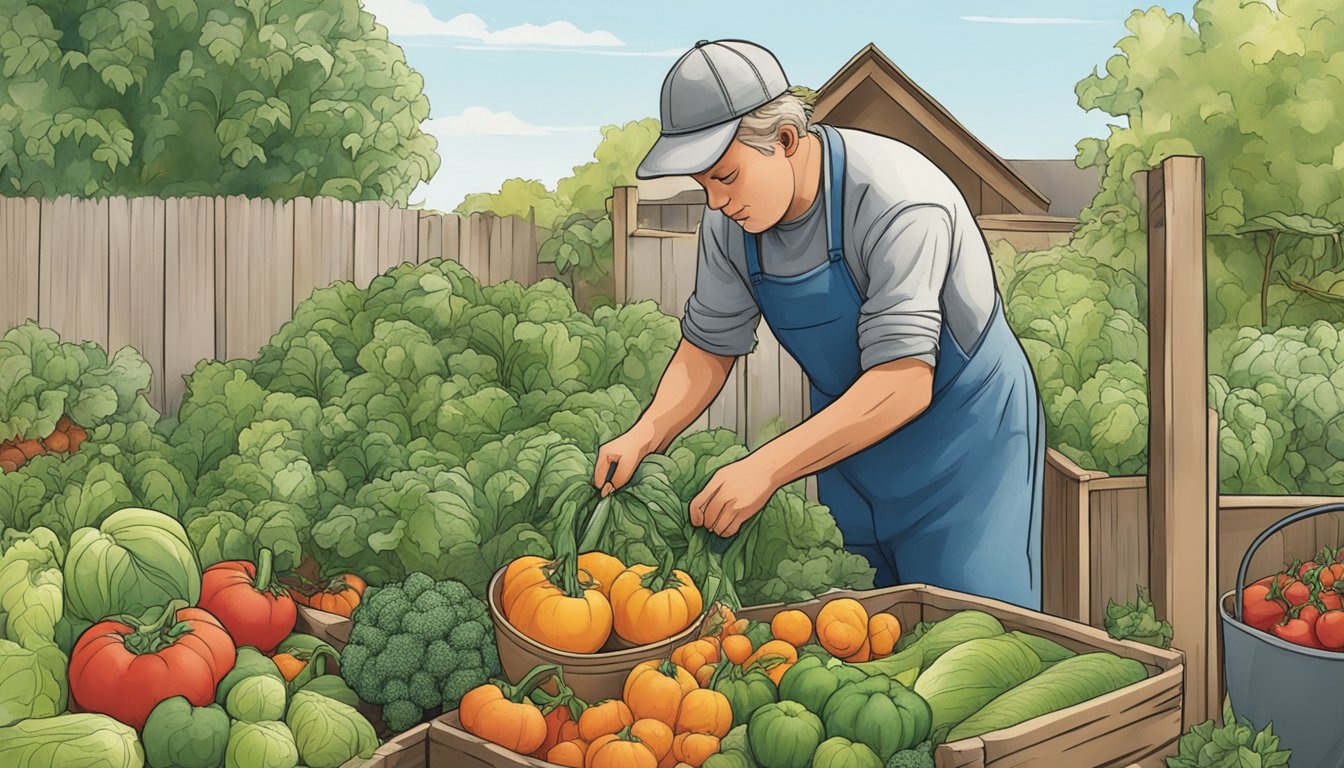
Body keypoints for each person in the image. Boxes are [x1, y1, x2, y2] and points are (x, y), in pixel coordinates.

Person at [594, 39, 1044, 610]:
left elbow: (905, 381)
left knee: (979, 638)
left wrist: (764, 468)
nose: (715, 201)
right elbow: (709, 347)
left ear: (784, 140)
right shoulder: (730, 224)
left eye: (726, 176)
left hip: (964, 443)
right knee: (859, 636)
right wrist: (645, 434)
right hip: (845, 439)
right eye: (702, 183)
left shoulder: (898, 199)